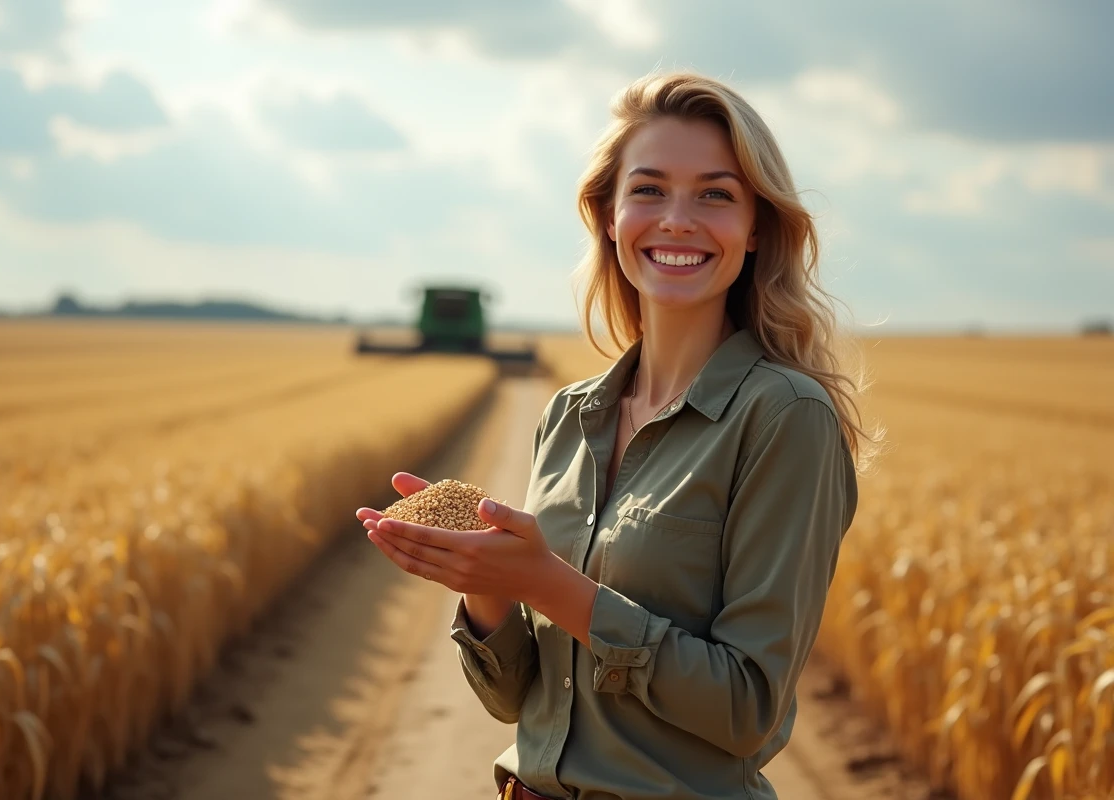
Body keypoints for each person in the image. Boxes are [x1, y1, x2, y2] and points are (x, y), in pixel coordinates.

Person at [356, 69, 884, 800]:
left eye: (715, 194)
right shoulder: (569, 415)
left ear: (756, 227)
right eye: (649, 189)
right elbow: (520, 703)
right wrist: (488, 585)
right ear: (609, 215)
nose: (677, 220)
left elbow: (748, 709)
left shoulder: (785, 416)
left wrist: (548, 583)